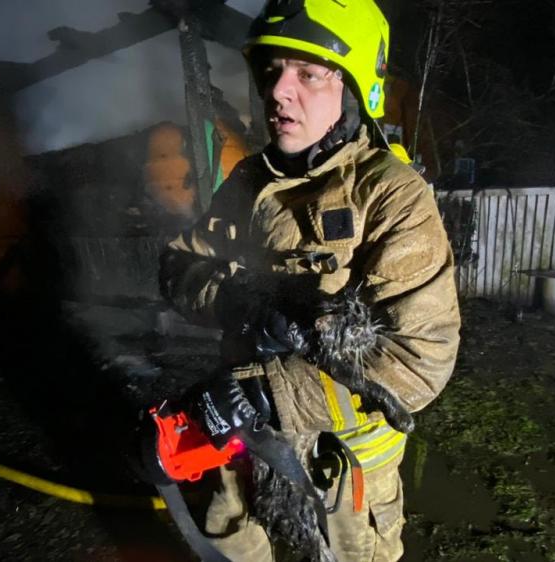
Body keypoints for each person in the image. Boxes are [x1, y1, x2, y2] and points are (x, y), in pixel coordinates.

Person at [158, 1, 460, 559]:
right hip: (245, 440)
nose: (278, 91)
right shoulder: (249, 181)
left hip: (345, 464)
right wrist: (241, 300)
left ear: (354, 88)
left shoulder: (389, 193)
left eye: (309, 73)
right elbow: (179, 266)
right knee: (230, 539)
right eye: (273, 71)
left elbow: (420, 361)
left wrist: (261, 394)